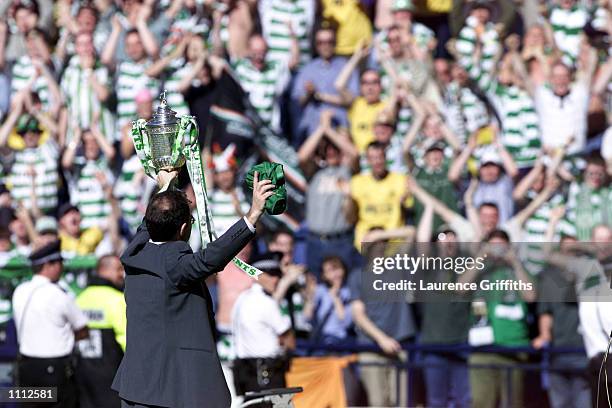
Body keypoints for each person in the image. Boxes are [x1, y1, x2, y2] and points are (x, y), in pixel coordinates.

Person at [111, 169, 274, 408]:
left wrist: (166, 187)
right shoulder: (175, 266)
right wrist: (253, 214)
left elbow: (151, 223)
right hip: (172, 391)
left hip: (135, 388)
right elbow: (213, 257)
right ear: (184, 228)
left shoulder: (134, 253)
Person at [12, 240, 89, 408]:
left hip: (25, 367)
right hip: (54, 370)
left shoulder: (19, 290)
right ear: (49, 265)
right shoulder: (59, 294)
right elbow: (83, 330)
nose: (61, 268)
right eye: (59, 263)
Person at [231, 252, 295, 397]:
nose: (276, 280)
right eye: (271, 275)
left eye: (278, 275)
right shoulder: (266, 303)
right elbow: (288, 339)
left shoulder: (242, 299)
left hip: (245, 373)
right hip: (267, 375)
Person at [75, 255, 126, 408]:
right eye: (118, 269)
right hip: (112, 379)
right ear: (104, 270)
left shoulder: (79, 299)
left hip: (83, 377)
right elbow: (128, 341)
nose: (121, 274)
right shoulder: (118, 300)